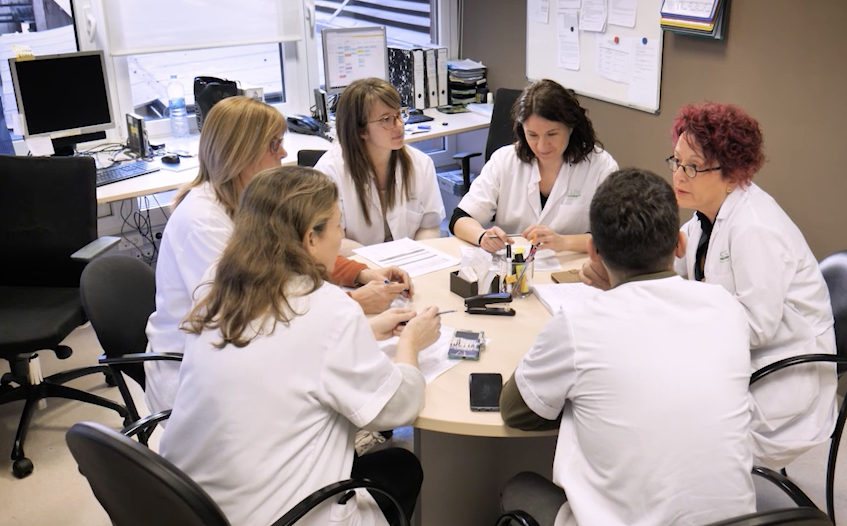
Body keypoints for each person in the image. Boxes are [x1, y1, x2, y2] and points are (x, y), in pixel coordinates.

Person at [160, 166, 441, 526]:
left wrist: (366, 329)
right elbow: (395, 409)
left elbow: (282, 347)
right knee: (399, 466)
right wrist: (412, 343)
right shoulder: (326, 306)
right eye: (339, 225)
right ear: (311, 238)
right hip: (278, 516)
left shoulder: (219, 279)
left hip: (190, 503)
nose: (341, 236)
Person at [580, 102, 838, 470]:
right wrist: (620, 278)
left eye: (694, 167)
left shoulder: (754, 227)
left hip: (781, 379)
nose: (679, 176)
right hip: (741, 363)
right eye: (676, 161)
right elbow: (668, 270)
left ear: (732, 174)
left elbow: (756, 329)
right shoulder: (704, 220)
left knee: (659, 410)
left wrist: (673, 307)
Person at [500, 168, 755, 526]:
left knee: (518, 488)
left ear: (593, 251)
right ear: (680, 244)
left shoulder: (579, 324)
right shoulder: (726, 308)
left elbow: (515, 410)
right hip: (735, 522)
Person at [145, 96, 413, 417]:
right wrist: (354, 308)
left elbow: (295, 253)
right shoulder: (202, 223)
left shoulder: (244, 199)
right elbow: (253, 317)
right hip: (200, 378)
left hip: (243, 352)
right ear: (240, 153)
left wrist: (360, 275)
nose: (284, 153)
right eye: (274, 144)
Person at [449, 79, 618, 254]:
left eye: (552, 134)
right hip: (513, 268)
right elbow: (460, 218)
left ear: (571, 127)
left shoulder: (600, 166)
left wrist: (563, 242)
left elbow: (612, 237)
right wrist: (482, 236)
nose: (542, 146)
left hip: (572, 271)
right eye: (533, 135)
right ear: (522, 131)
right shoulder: (505, 160)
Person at [314, 78, 445, 251]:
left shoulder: (420, 164)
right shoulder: (330, 172)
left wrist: (416, 258)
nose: (398, 125)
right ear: (360, 130)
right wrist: (377, 267)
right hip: (358, 269)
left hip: (410, 266)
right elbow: (334, 242)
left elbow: (429, 226)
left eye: (399, 115)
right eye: (386, 119)